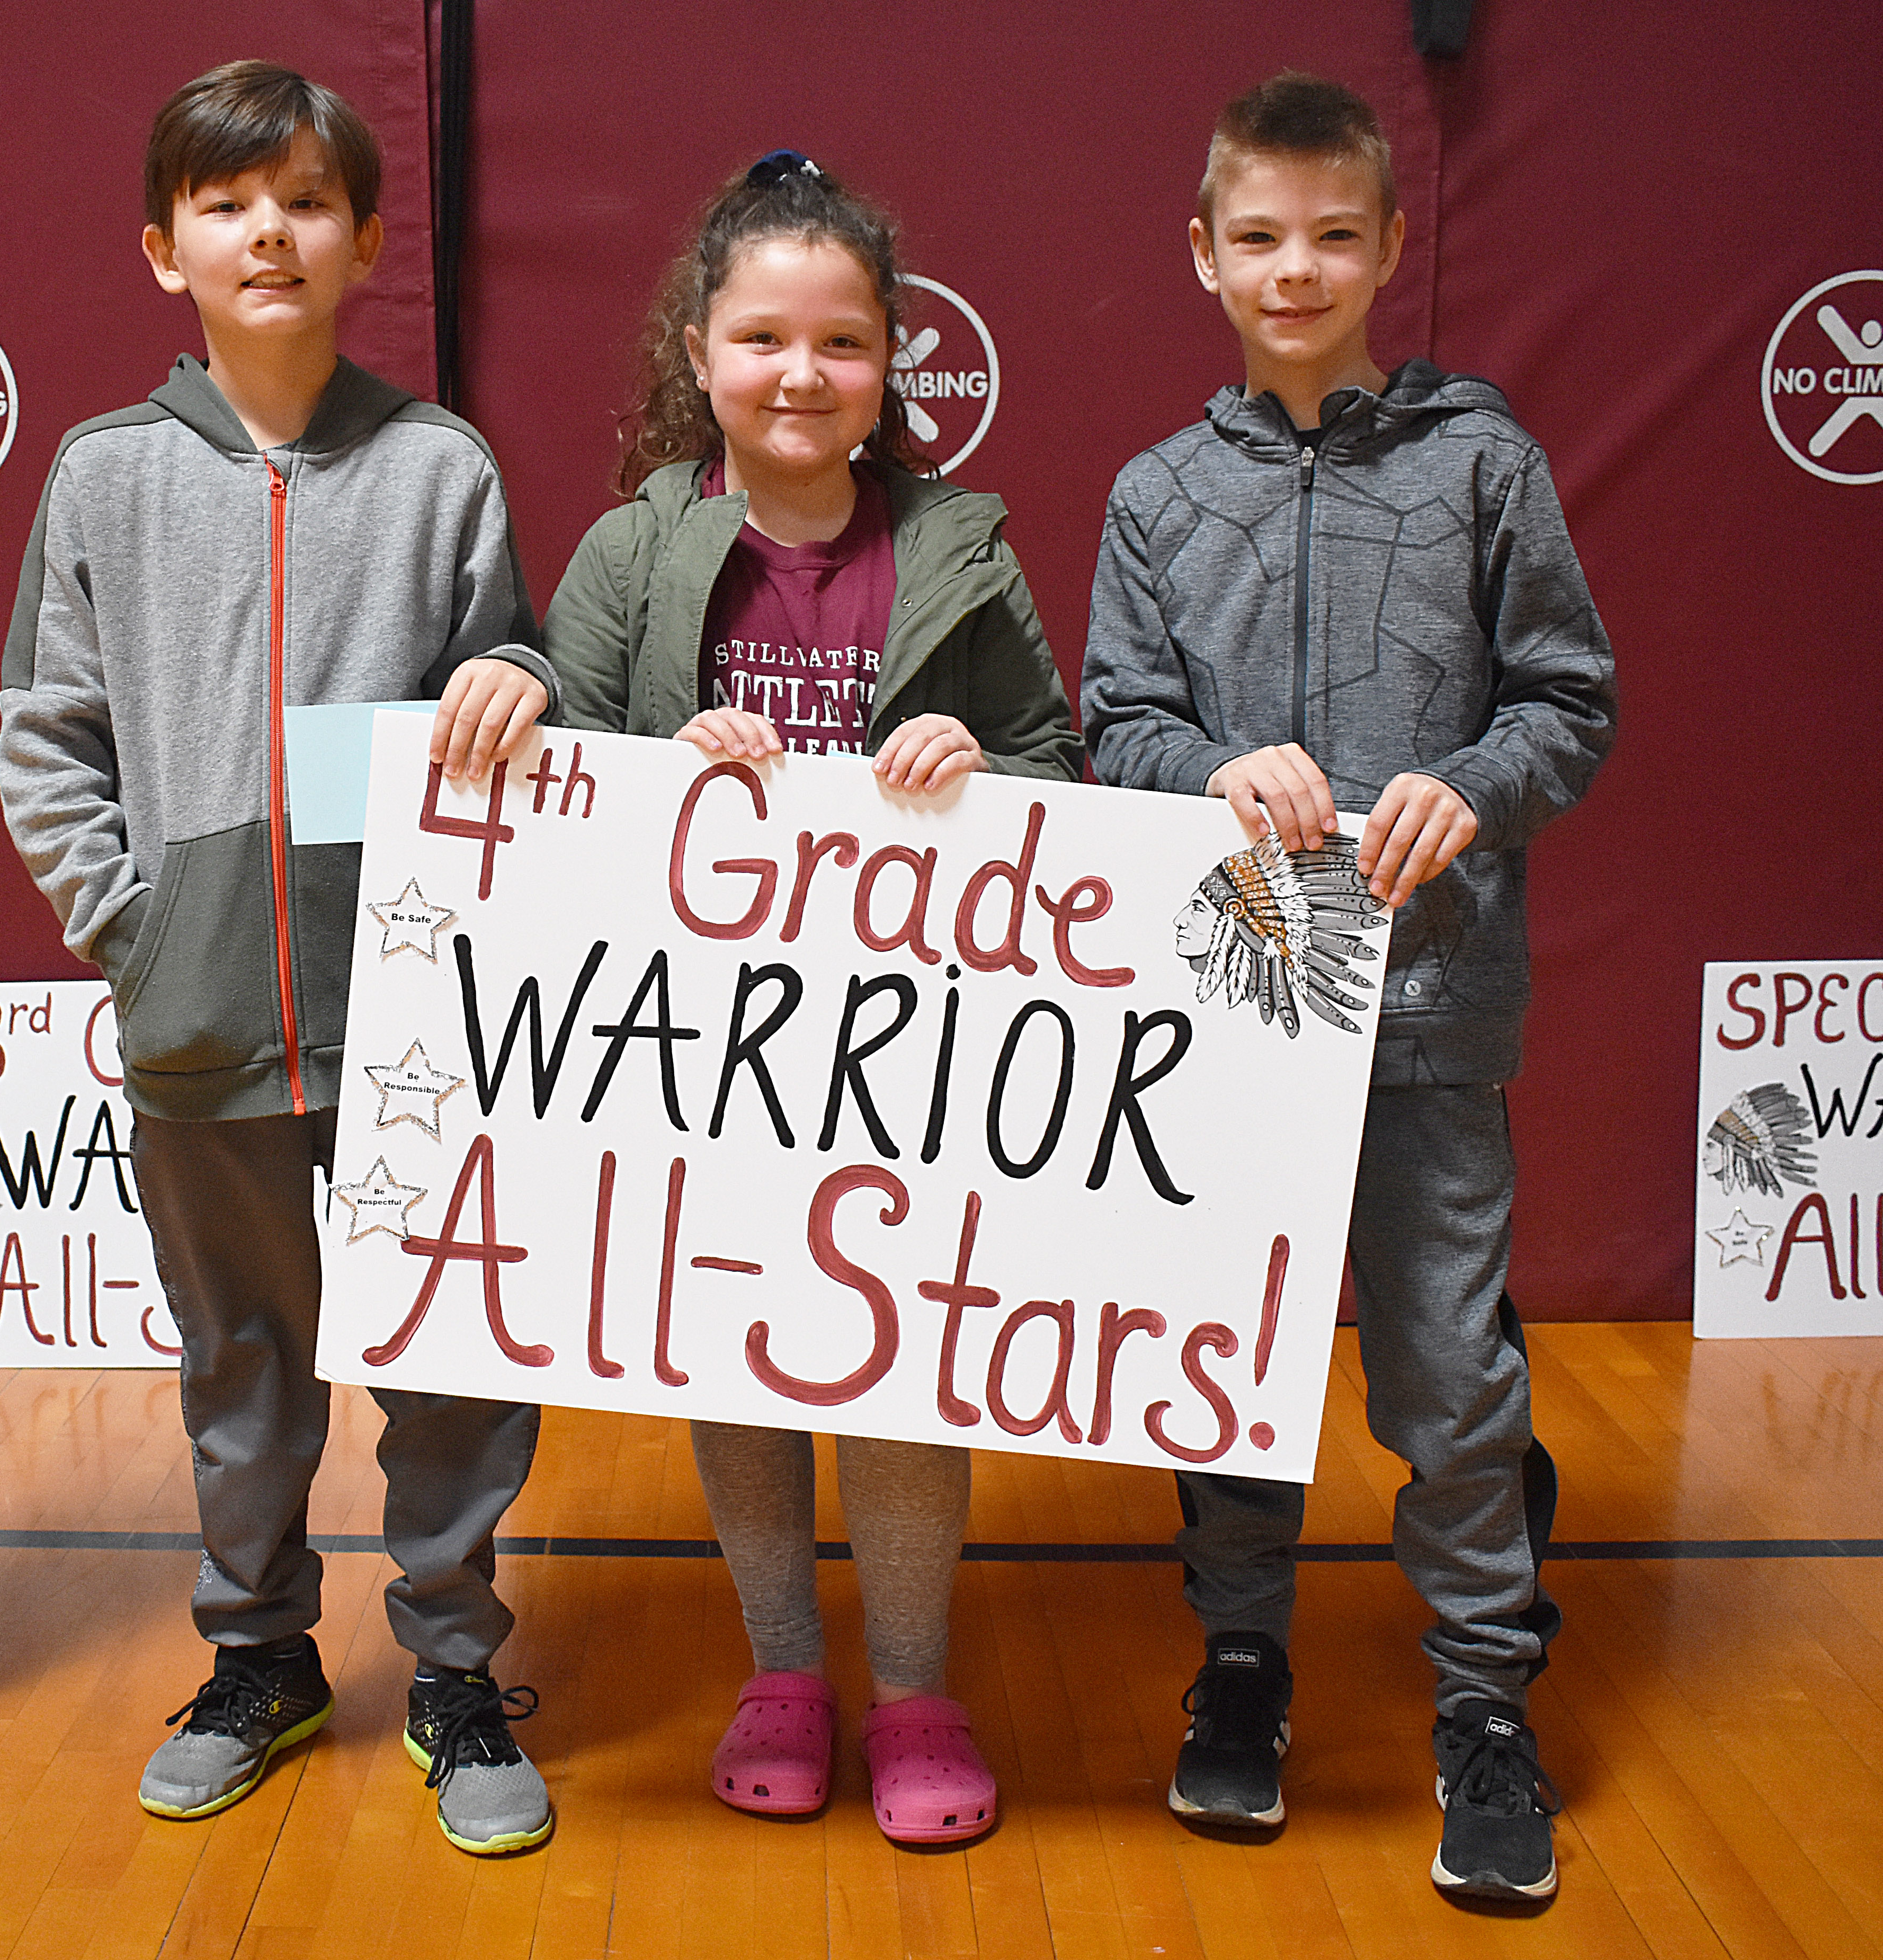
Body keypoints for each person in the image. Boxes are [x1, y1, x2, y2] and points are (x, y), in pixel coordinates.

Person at [0, 60, 561, 1856]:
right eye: (230, 203)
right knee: (242, 1365)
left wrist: (522, 681)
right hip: (200, 1023)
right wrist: (138, 935)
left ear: (366, 240)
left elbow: (519, 682)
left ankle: (460, 1672)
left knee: (453, 1363)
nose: (271, 230)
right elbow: (44, 733)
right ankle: (260, 1657)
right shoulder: (102, 473)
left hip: (418, 1024)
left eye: (308, 200)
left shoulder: (440, 466)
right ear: (165, 246)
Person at [1082, 73, 1617, 1902]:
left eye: (1332, 234)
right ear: (1205, 258)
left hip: (1431, 1020)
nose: (1293, 267)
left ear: (1390, 245)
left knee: (1451, 1378)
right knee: (1225, 1367)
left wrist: (1473, 789)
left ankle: (1484, 1698)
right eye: (1258, 237)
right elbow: (1119, 730)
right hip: (1232, 1024)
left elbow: (1571, 703)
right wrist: (1208, 774)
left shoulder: (1485, 462)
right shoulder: (1157, 495)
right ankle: (1241, 1660)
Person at [541, 151, 1082, 1846]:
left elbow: (1064, 770)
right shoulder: (635, 549)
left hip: (910, 1057)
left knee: (907, 1360)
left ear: (889, 361)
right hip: (704, 1047)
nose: (800, 372)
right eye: (763, 337)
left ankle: (913, 1685)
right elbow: (551, 738)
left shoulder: (964, 550)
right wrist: (653, 757)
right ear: (698, 355)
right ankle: (783, 1665)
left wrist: (978, 763)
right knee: (743, 1350)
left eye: (841, 343)